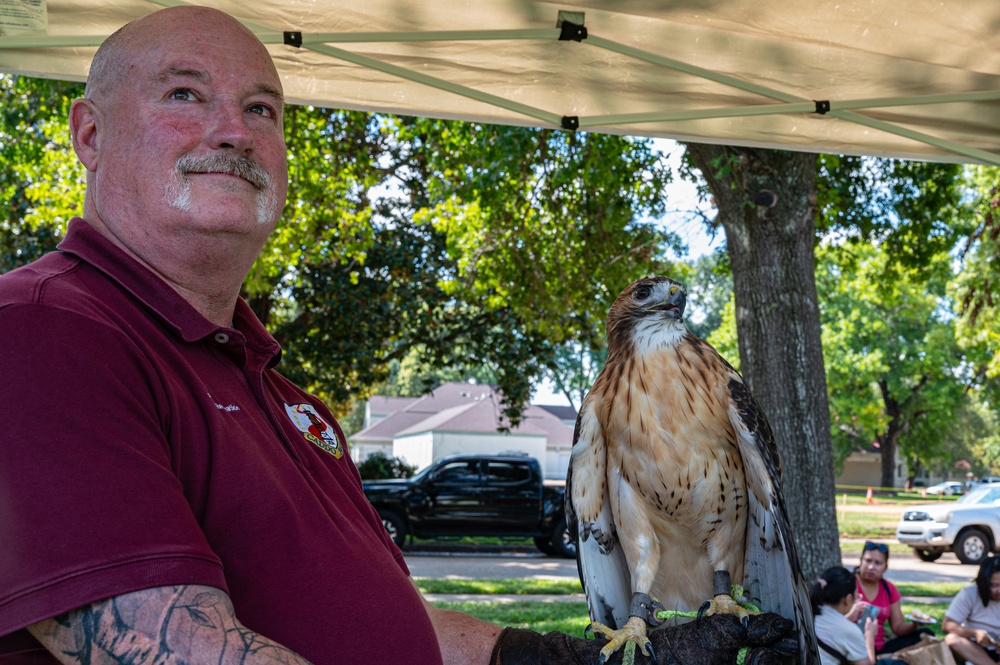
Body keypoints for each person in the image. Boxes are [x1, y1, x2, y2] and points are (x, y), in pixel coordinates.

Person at [0, 6, 796, 664]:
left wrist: (545, 657)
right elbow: (169, 646)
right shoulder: (44, 330)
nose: (233, 132)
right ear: (90, 135)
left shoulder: (276, 390)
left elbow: (376, 626)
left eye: (261, 109)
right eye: (184, 94)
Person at [854, 541, 932, 654]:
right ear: (861, 561)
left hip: (880, 648)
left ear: (885, 567)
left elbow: (898, 628)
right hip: (852, 645)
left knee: (926, 634)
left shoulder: (889, 589)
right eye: (868, 561)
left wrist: (914, 623)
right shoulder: (849, 583)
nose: (871, 567)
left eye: (878, 563)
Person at [813, 566, 877, 665]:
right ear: (848, 599)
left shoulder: (808, 614)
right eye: (856, 597)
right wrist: (869, 637)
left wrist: (846, 619)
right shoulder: (850, 631)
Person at [942, 555, 1000, 665]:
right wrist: (974, 633)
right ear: (984, 582)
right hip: (976, 650)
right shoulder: (969, 594)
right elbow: (947, 625)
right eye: (994, 585)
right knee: (952, 639)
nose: (999, 591)